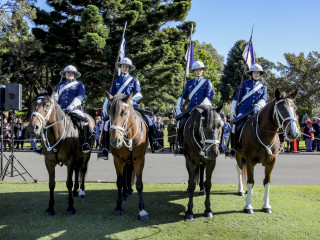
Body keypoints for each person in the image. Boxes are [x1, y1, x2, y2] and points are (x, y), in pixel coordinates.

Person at [98, 58, 159, 159]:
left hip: (131, 105)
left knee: (148, 120)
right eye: (123, 66)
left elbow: (139, 93)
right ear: (120, 68)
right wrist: (106, 108)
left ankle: (154, 143)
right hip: (118, 108)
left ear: (129, 68)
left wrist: (130, 100)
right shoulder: (115, 80)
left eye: (126, 66)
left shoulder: (134, 80)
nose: (124, 68)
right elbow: (110, 95)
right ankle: (104, 148)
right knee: (107, 125)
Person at [34, 65, 91, 154]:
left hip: (74, 108)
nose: (69, 74)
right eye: (67, 73)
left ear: (75, 75)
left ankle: (85, 142)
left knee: (84, 121)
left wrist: (72, 106)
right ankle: (42, 145)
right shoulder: (60, 85)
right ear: (65, 75)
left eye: (71, 73)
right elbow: (54, 95)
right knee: (46, 121)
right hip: (60, 109)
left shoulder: (79, 84)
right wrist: (55, 99)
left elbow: (80, 96)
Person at [226, 63, 267, 158]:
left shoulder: (263, 87)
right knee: (234, 126)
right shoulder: (244, 84)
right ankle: (233, 148)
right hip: (244, 111)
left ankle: (265, 149)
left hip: (256, 112)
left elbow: (264, 99)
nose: (256, 74)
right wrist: (232, 110)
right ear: (251, 74)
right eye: (254, 72)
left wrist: (259, 104)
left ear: (260, 74)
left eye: (258, 72)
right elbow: (237, 98)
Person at [175, 60, 214, 153]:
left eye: (200, 70)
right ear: (194, 71)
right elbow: (183, 96)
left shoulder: (207, 82)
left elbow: (209, 96)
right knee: (180, 123)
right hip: (191, 109)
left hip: (203, 109)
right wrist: (178, 107)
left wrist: (202, 106)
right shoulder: (189, 83)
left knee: (214, 124)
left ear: (202, 71)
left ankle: (215, 145)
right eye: (196, 70)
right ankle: (181, 145)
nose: (198, 71)